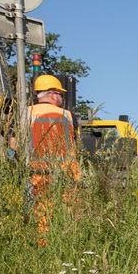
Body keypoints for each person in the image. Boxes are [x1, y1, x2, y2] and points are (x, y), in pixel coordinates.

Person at [28, 74, 80, 246]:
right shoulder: (67, 115)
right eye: (60, 95)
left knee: (40, 212)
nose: (61, 98)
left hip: (36, 173)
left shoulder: (26, 112)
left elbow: (14, 143)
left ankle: (41, 248)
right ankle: (63, 247)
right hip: (65, 174)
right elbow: (75, 145)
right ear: (52, 94)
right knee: (68, 215)